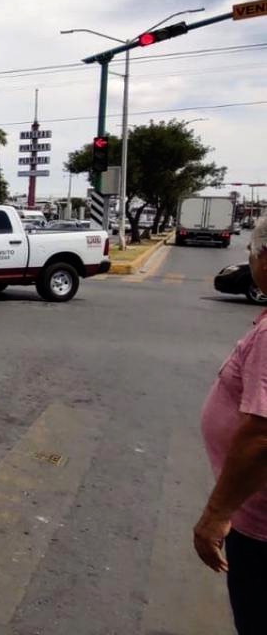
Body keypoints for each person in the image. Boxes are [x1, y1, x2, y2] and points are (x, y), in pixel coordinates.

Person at [195, 216, 267, 633]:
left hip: (259, 528)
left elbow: (262, 434)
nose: (250, 258)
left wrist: (216, 515)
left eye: (254, 251)